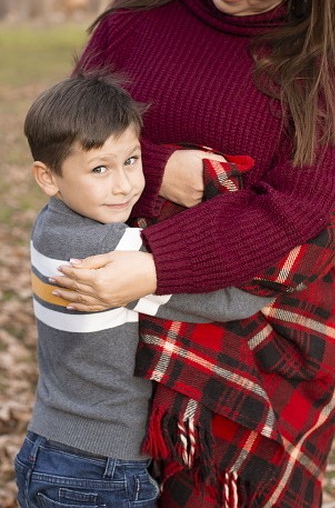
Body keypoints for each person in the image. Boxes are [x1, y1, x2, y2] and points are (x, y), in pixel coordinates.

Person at [47, 0, 335, 507]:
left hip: (259, 329)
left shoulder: (319, 71)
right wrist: (158, 167)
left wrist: (154, 265)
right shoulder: (138, 18)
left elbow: (293, 212)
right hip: (112, 332)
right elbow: (66, 143)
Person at [17, 72, 269, 508]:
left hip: (53, 447)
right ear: (48, 177)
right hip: (100, 469)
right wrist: (281, 274)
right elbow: (231, 299)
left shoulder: (53, 225)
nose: (125, 184)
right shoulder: (106, 251)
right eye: (100, 168)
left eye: (131, 161)